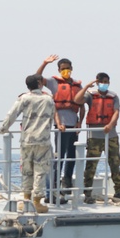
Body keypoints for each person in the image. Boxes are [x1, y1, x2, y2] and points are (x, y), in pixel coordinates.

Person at [0, 74, 56, 214]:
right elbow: (51, 119)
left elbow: (12, 114)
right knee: (40, 171)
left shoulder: (24, 98)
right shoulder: (49, 99)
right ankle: (37, 202)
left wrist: (3, 128)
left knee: (27, 170)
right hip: (43, 140)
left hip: (27, 140)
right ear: (38, 83)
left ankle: (26, 199)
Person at [73, 72, 120, 204]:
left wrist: (110, 125)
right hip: (94, 136)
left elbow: (116, 112)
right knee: (91, 165)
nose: (105, 84)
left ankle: (119, 191)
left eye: (107, 82)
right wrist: (85, 87)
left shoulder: (113, 97)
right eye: (102, 82)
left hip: (111, 135)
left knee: (115, 163)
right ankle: (87, 192)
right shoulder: (90, 95)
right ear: (97, 82)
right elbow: (77, 100)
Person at [36, 54, 83, 201]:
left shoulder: (77, 85)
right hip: (60, 126)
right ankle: (55, 184)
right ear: (58, 69)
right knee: (59, 156)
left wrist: (79, 122)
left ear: (72, 69)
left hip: (73, 125)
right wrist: (44, 63)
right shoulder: (53, 82)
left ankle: (66, 182)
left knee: (71, 155)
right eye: (63, 69)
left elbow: (81, 105)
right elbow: (36, 78)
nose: (66, 71)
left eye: (68, 69)